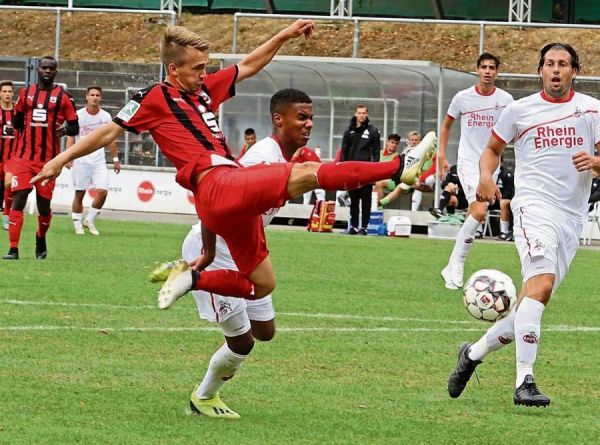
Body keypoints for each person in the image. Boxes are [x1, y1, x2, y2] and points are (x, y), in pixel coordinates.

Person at [32, 23, 431, 319]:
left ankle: (194, 279)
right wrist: (58, 161)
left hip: (223, 199)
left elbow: (248, 66)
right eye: (197, 69)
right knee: (307, 171)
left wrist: (285, 35)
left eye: (206, 68)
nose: (204, 75)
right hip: (217, 183)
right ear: (174, 70)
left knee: (263, 286)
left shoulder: (203, 91)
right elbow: (107, 131)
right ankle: (399, 167)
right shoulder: (155, 97)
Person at [150, 89, 322, 419]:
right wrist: (209, 252)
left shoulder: (286, 158)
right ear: (278, 119)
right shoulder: (262, 158)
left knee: (265, 331)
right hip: (217, 247)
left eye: (311, 117)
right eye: (301, 117)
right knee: (243, 342)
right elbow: (219, 199)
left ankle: (185, 271)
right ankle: (203, 397)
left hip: (244, 252)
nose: (309, 124)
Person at [447, 42, 600, 407]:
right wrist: (485, 176)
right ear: (541, 71)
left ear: (574, 71)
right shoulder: (519, 110)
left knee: (529, 305)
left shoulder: (592, 110)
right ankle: (524, 380)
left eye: (563, 64)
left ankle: (471, 354)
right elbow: (491, 150)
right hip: (532, 208)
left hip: (570, 218)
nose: (556, 70)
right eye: (549, 64)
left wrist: (595, 161)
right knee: (542, 283)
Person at [438, 52, 514, 289]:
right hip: (469, 162)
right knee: (480, 211)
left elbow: (514, 130)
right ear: (478, 70)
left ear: (497, 72)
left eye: (492, 67)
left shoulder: (506, 100)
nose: (488, 71)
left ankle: (451, 265)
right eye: (484, 67)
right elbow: (447, 125)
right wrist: (441, 154)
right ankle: (457, 262)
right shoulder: (463, 98)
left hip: (492, 165)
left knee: (477, 212)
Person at [3, 57, 78, 260]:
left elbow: (74, 126)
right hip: (25, 158)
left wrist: (64, 129)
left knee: (44, 205)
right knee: (19, 198)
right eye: (44, 67)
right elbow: (17, 121)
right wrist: (16, 128)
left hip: (48, 162)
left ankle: (41, 237)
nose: (47, 71)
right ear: (38, 69)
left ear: (56, 72)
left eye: (51, 68)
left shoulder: (63, 97)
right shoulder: (26, 94)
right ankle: (13, 249)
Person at [66, 85, 120, 236]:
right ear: (87, 97)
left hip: (99, 160)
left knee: (103, 191)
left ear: (100, 97)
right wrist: (68, 157)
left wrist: (115, 159)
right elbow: (71, 136)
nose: (95, 97)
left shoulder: (106, 117)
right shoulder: (78, 115)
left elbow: (110, 139)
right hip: (81, 160)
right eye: (92, 95)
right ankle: (77, 224)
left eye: (97, 95)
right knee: (80, 193)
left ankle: (89, 220)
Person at [340, 104, 381, 235]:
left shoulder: (373, 131)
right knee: (353, 200)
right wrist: (342, 168)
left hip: (366, 171)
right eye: (359, 113)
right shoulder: (349, 131)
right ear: (355, 114)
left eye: (364, 113)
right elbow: (344, 151)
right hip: (351, 171)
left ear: (367, 114)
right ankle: (353, 227)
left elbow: (376, 153)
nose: (362, 115)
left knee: (366, 200)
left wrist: (375, 172)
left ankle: (364, 227)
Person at [0, 80, 16, 231]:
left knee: (9, 184)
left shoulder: (18, 111)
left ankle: (6, 217)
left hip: (11, 157)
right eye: (4, 91)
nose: (7, 94)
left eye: (10, 91)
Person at [495, 163, 514, 241]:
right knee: (478, 201)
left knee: (503, 203)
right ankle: (478, 231)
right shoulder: (487, 172)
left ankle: (504, 231)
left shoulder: (506, 173)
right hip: (491, 199)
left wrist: (502, 197)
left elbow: (510, 189)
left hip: (504, 198)